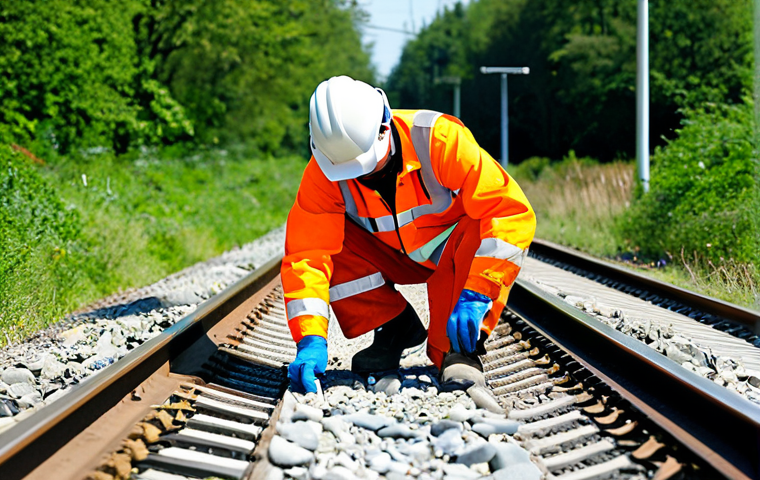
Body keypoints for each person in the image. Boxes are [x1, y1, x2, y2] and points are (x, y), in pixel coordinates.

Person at [281, 76, 535, 405]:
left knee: (480, 219)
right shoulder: (323, 173)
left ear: (385, 126)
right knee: (328, 244)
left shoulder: (439, 140)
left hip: (452, 252)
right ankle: (393, 326)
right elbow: (307, 255)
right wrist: (309, 338)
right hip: (390, 254)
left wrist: (479, 292)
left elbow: (509, 211)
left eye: (365, 165)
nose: (360, 177)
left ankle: (458, 352)